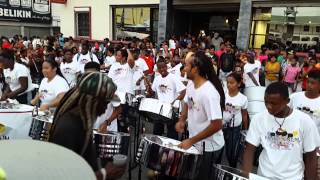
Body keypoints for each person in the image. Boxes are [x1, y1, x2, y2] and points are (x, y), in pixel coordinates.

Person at [49, 72, 126, 180]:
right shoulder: (69, 127)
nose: (106, 108)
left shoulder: (82, 121)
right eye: (105, 102)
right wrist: (103, 174)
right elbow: (62, 175)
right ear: (92, 100)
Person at [242, 82, 319, 180]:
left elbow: (311, 157)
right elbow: (249, 149)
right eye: (266, 102)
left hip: (293, 177)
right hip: (264, 176)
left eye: (274, 103)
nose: (269, 106)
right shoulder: (259, 119)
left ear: (287, 101)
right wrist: (245, 175)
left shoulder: (304, 121)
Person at [175, 51, 225, 180]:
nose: (184, 69)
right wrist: (182, 120)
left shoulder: (209, 93)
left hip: (209, 148)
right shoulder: (191, 84)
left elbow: (217, 124)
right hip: (196, 142)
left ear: (195, 69)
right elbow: (187, 101)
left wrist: (191, 141)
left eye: (186, 65)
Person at [145, 58, 186, 139]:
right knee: (157, 133)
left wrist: (174, 102)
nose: (162, 69)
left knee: (172, 134)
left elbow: (183, 91)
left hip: (171, 109)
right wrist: (149, 88)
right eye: (159, 68)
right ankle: (156, 149)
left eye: (163, 67)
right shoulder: (157, 79)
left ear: (166, 67)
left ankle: (171, 150)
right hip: (160, 109)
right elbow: (152, 93)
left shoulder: (173, 78)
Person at [223, 72, 248, 168]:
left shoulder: (243, 99)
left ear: (238, 84)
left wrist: (245, 130)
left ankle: (231, 170)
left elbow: (244, 115)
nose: (229, 85)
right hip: (220, 127)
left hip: (235, 128)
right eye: (227, 82)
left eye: (232, 83)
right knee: (219, 150)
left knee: (231, 153)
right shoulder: (223, 95)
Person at [290, 69, 320, 134]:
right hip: (294, 136)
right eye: (308, 82)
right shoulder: (294, 97)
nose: (309, 85)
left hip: (312, 139)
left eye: (313, 83)